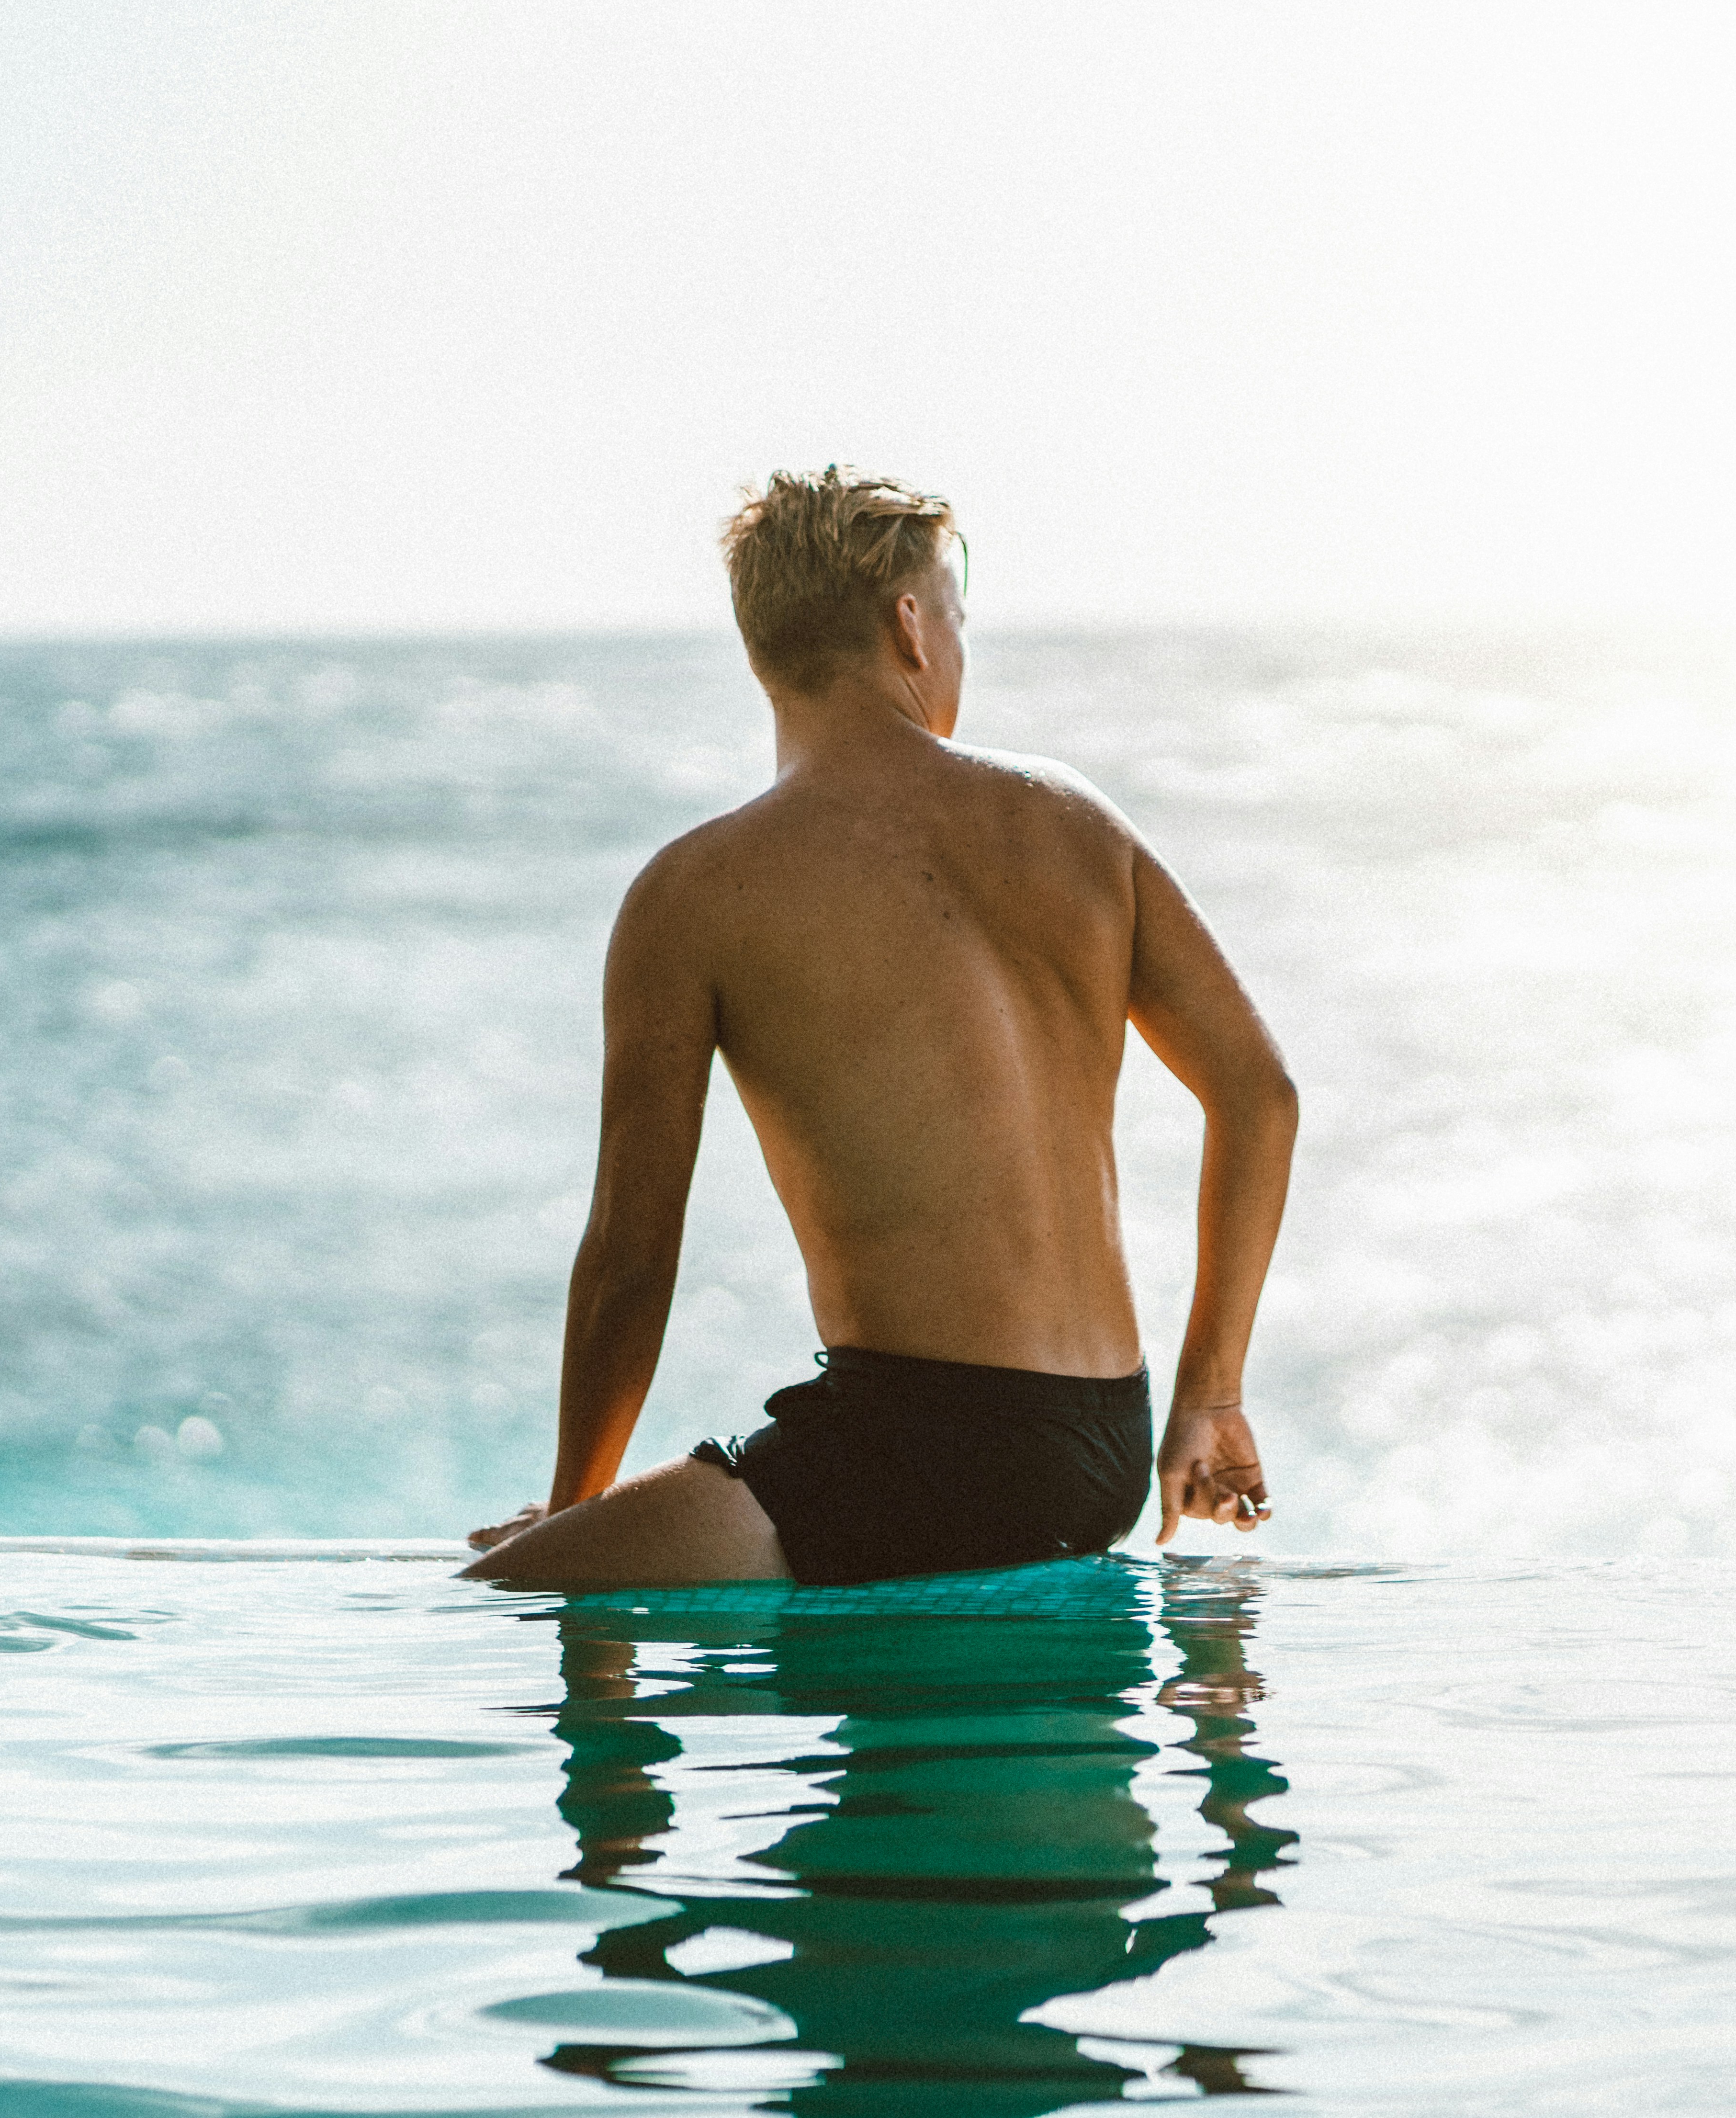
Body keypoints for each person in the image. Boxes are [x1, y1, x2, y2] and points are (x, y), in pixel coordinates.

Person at [461, 468, 1294, 1590]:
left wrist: (569, 1517)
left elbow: (629, 1257)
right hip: (1101, 1449)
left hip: (921, 1453)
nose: (955, 647)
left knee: (506, 1597)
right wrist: (1211, 1396)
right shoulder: (1076, 824)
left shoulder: (696, 893)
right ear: (909, 626)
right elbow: (1260, 1093)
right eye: (955, 617)